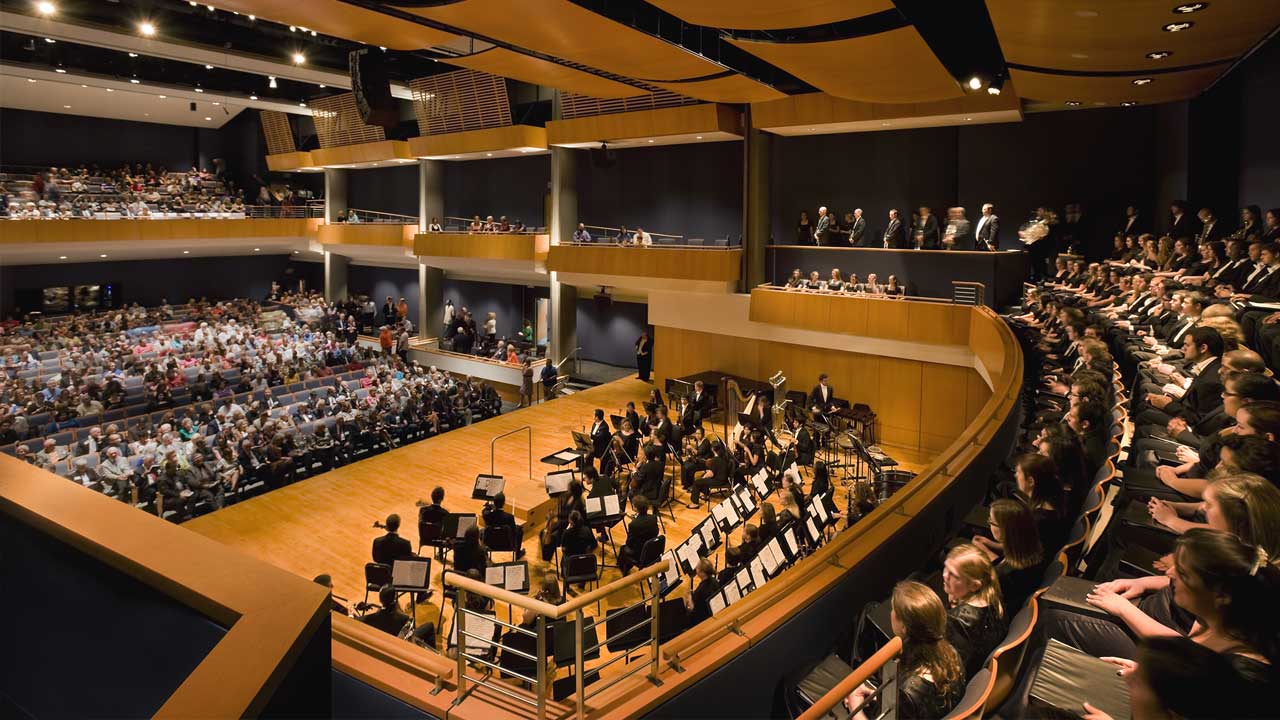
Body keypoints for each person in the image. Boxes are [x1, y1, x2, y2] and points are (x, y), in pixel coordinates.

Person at [844, 581, 964, 719]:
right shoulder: (951, 653)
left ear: (904, 627)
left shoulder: (906, 692)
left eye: (894, 609)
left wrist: (855, 706)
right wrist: (879, 695)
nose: (891, 612)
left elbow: (909, 703)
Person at [942, 544, 1007, 678]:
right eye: (945, 568)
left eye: (953, 575)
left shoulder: (955, 620)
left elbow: (952, 669)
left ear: (974, 585)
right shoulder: (994, 597)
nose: (944, 575)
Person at [618, 496, 660, 574]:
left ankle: (623, 568)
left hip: (639, 553)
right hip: (652, 549)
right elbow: (656, 531)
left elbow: (629, 543)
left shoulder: (633, 525)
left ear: (636, 508)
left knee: (623, 549)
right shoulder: (653, 518)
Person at [686, 557, 721, 624]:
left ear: (702, 573)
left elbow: (692, 608)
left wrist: (689, 597)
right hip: (711, 611)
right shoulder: (714, 581)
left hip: (702, 618)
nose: (696, 568)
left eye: (697, 568)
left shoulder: (700, 591)